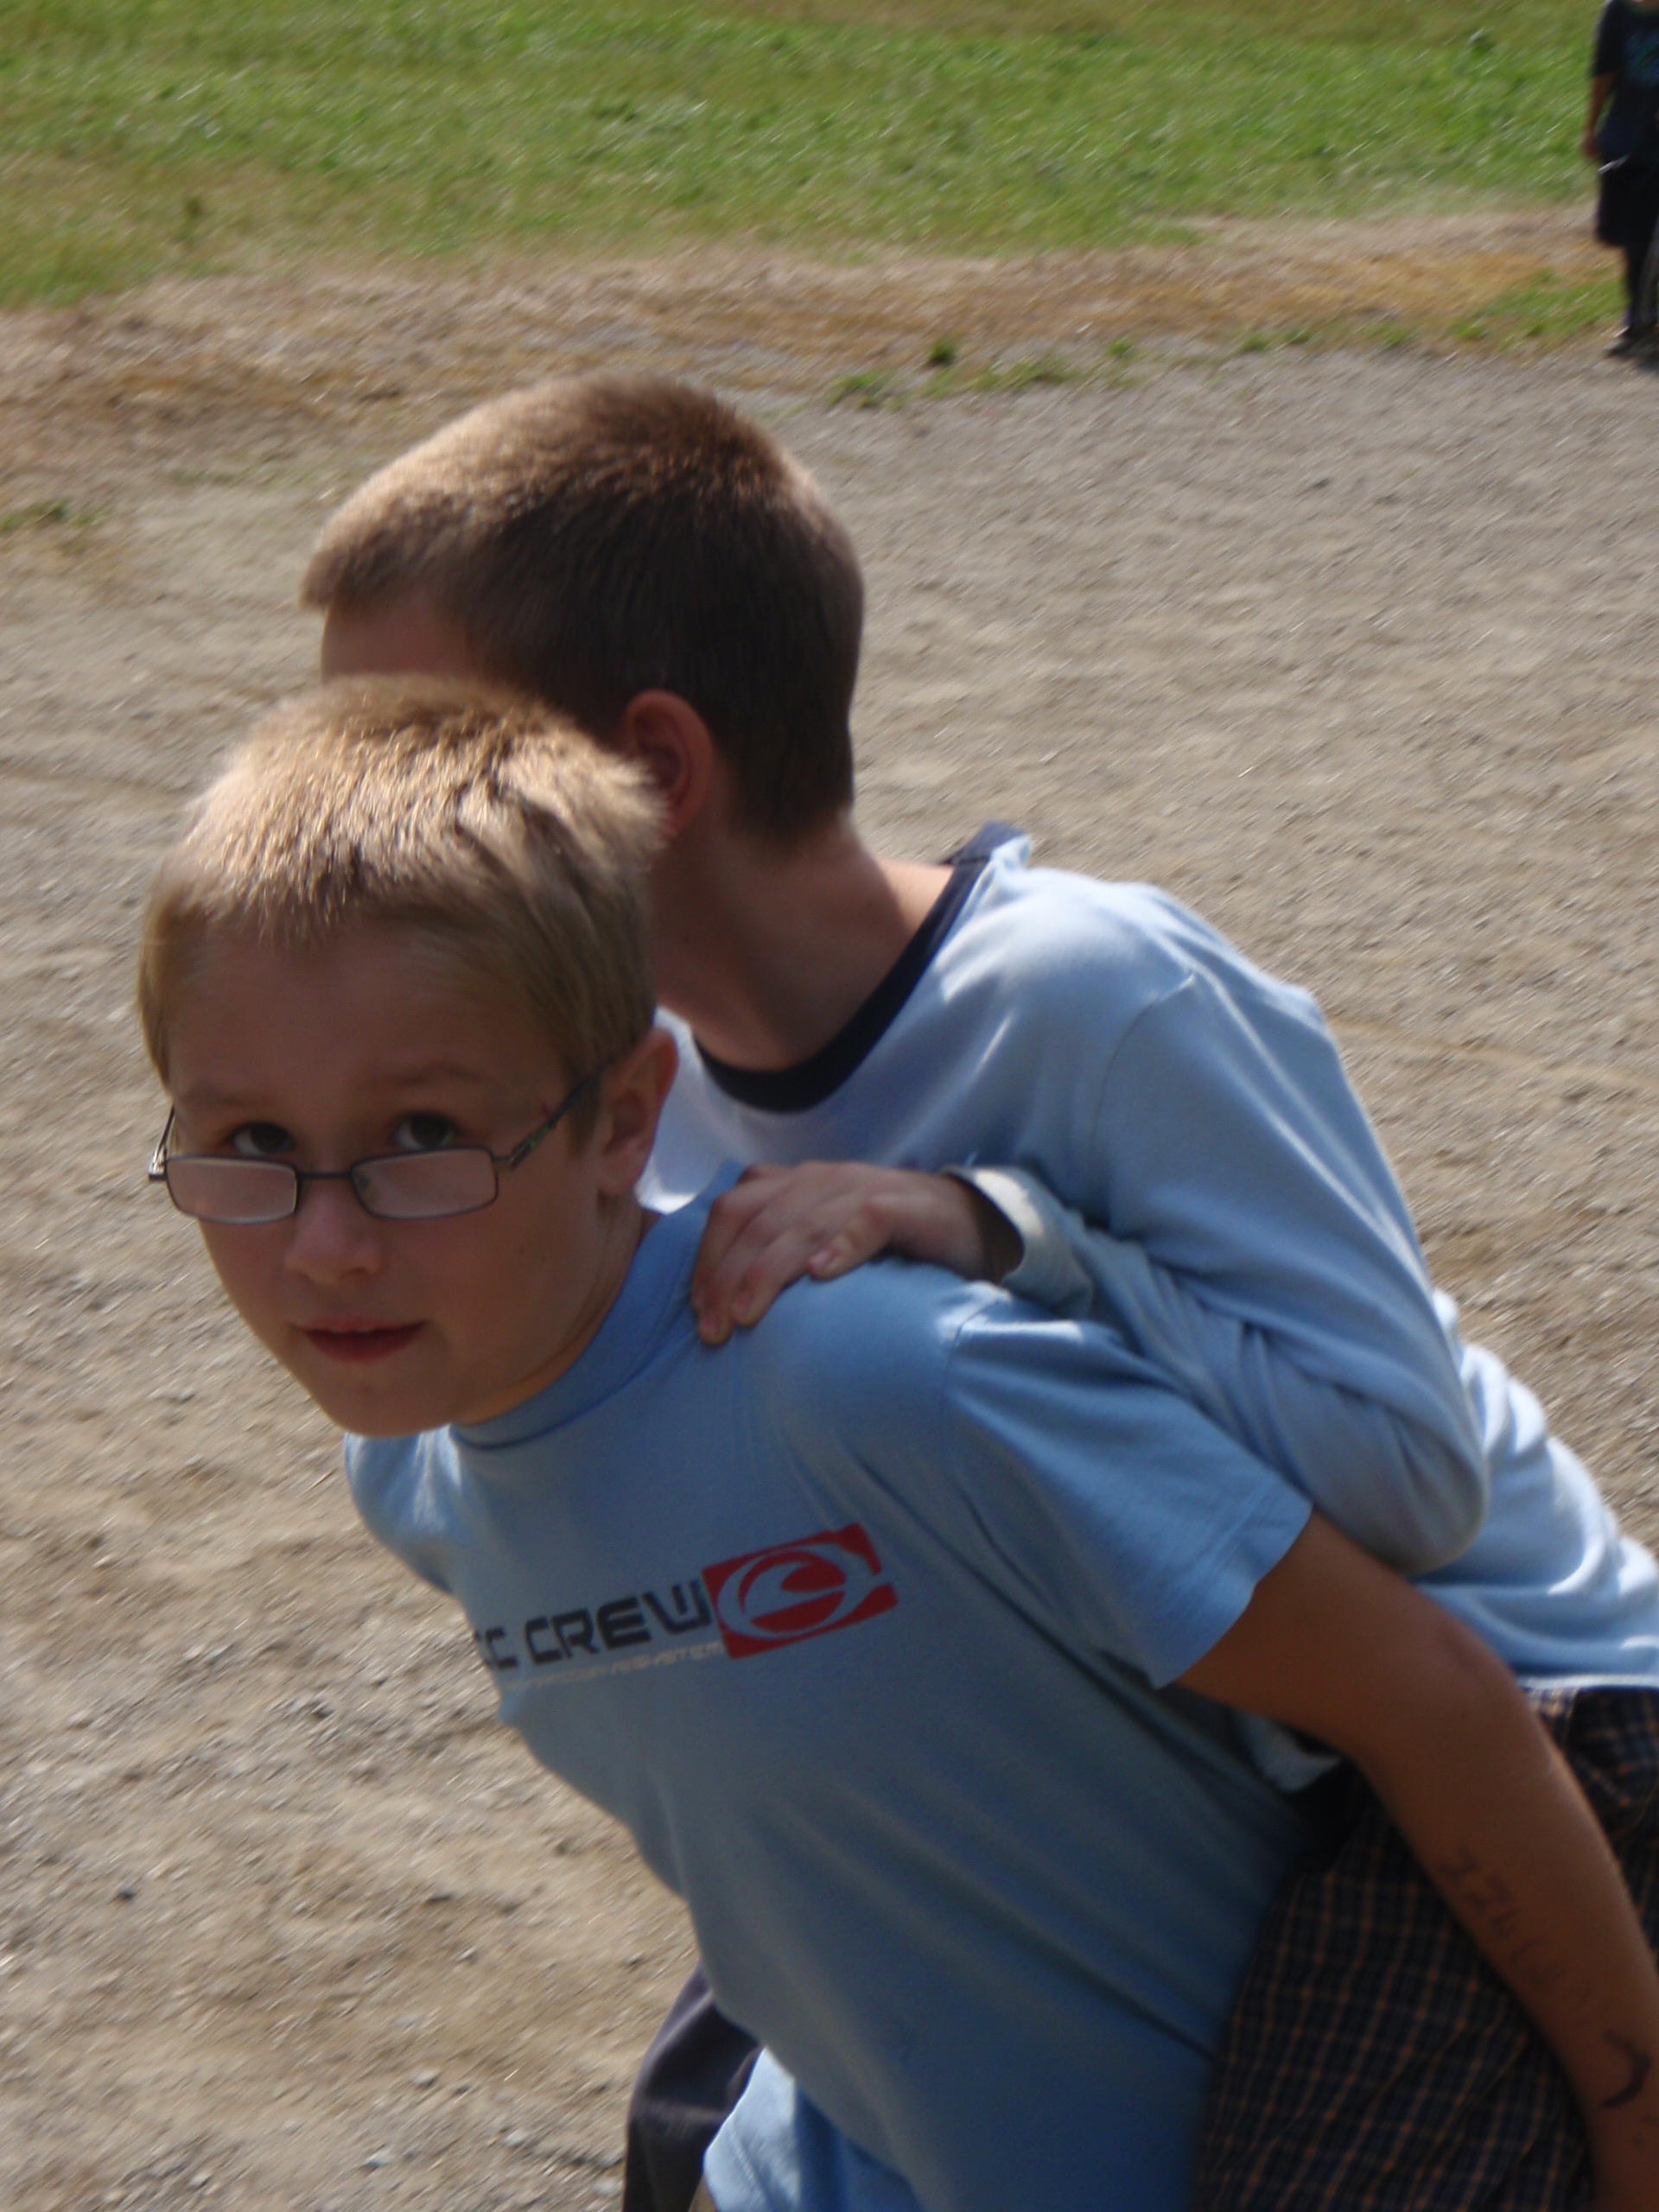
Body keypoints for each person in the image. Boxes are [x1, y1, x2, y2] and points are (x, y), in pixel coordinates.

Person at [301, 377, 1659, 2211]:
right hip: (1190, 1714)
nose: (360, 826)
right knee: (713, 2125)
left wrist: (1005, 1234)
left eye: (415, 752)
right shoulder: (646, 1104)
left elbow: (1412, 1481)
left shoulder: (1088, 992)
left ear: (657, 773)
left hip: (1537, 1719)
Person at [1585, 0, 1659, 355]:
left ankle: (1641, 323)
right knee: (1621, 233)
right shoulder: (1617, 12)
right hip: (1625, 138)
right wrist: (1591, 126)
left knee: (1647, 236)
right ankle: (1640, 321)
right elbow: (1604, 72)